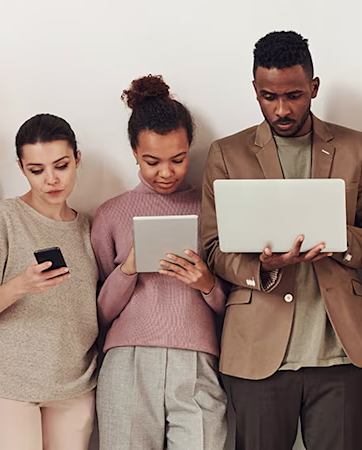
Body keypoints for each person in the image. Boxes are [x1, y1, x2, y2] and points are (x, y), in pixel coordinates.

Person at [201, 31, 362, 450]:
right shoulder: (227, 154)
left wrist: (337, 241)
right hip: (257, 350)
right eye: (269, 96)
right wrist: (264, 266)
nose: (282, 109)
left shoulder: (354, 146)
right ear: (255, 90)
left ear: (314, 88)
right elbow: (213, 249)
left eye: (294, 95)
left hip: (339, 351)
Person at [91, 74, 228, 450]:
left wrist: (206, 283)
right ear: (134, 151)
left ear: (190, 150)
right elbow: (99, 312)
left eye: (178, 160)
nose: (166, 172)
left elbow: (232, 304)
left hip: (198, 359)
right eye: (152, 161)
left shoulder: (211, 209)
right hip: (128, 362)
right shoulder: (111, 214)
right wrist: (129, 270)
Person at [0, 113, 98, 450]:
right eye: (37, 170)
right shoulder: (3, 218)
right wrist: (20, 285)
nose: (51, 179)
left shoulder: (90, 228)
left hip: (74, 387)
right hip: (7, 388)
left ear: (77, 159)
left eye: (61, 165)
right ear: (22, 168)